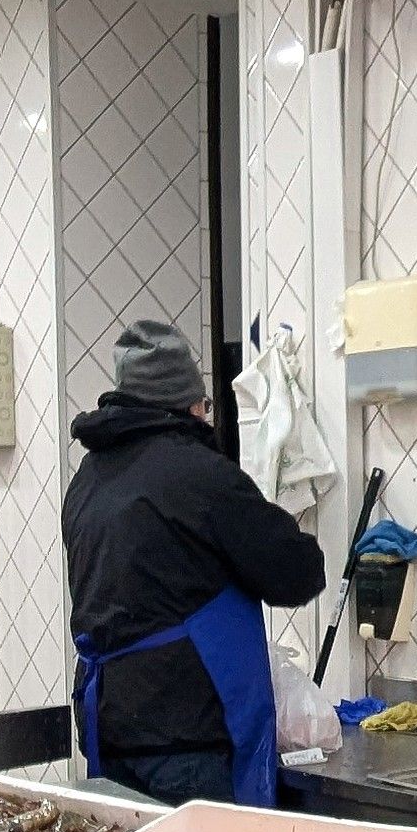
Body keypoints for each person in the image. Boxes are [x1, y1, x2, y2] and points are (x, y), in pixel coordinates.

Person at [65, 320, 327, 806]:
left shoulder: (88, 478)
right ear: (188, 403)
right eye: (205, 404)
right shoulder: (200, 476)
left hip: (109, 728)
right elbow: (296, 574)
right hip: (190, 740)